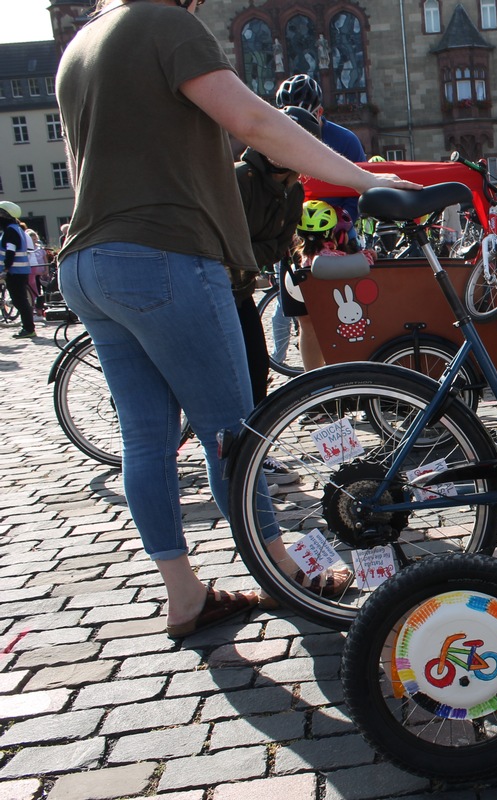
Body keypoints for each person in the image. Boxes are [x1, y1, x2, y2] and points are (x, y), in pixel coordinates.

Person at [55, 0, 420, 640]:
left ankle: (184, 595)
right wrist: (364, 180)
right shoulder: (164, 23)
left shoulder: (83, 43)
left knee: (147, 442)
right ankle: (285, 569)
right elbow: (255, 120)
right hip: (164, 252)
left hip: (87, 260)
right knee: (233, 434)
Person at [233, 105, 318, 408]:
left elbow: (283, 243)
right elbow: (226, 246)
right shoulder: (239, 180)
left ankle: (251, 450)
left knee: (257, 369)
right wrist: (259, 250)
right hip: (212, 288)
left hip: (240, 289)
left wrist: (256, 251)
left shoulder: (293, 192)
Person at [275, 73, 366, 222]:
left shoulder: (347, 141)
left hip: (336, 220)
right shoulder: (273, 140)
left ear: (320, 112)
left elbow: (358, 191)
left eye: (306, 120)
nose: (298, 130)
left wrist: (343, 222)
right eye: (290, 122)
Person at [0, 201, 36, 338]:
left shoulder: (10, 231)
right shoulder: (16, 228)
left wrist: (6, 269)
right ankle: (28, 327)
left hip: (15, 272)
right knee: (20, 300)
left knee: (19, 300)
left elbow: (10, 251)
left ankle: (28, 328)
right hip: (19, 271)